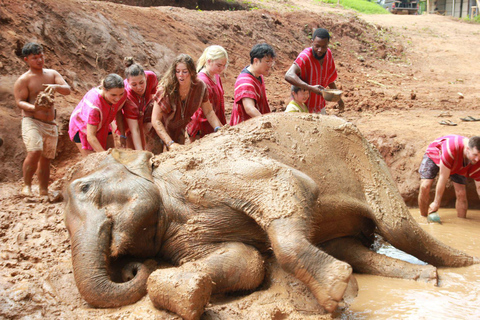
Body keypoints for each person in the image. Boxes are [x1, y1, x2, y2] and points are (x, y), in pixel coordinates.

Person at [13, 42, 71, 196]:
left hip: (50, 123)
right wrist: (34, 108)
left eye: (41, 56)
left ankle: (44, 190)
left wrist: (55, 87)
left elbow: (67, 90)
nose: (39, 60)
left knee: (46, 159)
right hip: (31, 120)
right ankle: (26, 186)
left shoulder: (52, 74)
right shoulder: (24, 80)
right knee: (35, 150)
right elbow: (19, 102)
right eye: (34, 58)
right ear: (26, 60)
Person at [151, 54, 223, 151]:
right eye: (178, 71)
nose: (181, 75)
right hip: (157, 131)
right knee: (156, 160)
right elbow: (156, 120)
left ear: (192, 72)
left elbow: (209, 111)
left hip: (178, 128)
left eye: (185, 72)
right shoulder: (166, 90)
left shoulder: (199, 87)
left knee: (177, 157)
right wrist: (170, 143)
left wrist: (218, 129)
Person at [285, 28, 344, 114]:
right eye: (317, 46)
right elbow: (288, 75)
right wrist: (310, 88)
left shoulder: (328, 55)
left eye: (323, 47)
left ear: (328, 44)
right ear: (312, 42)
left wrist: (339, 99)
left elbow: (330, 79)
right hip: (303, 107)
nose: (320, 50)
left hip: (319, 106)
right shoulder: (305, 57)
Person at [418, 135, 480, 219]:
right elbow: (443, 178)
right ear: (467, 149)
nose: (477, 159)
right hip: (436, 153)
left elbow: (479, 187)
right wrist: (436, 203)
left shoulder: (476, 160)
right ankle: (423, 217)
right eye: (475, 155)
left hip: (459, 161)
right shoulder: (451, 149)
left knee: (461, 193)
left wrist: (474, 157)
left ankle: (461, 223)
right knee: (425, 186)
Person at [68, 74, 127, 156]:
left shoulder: (122, 93)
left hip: (103, 123)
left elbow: (118, 111)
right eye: (113, 95)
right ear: (104, 89)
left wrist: (122, 135)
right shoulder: (94, 106)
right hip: (83, 128)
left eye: (120, 94)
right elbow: (90, 137)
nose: (117, 98)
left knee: (112, 154)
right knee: (94, 163)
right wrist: (104, 157)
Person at [187, 45, 228, 141]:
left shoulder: (216, 76)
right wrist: (221, 128)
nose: (221, 68)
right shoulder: (202, 81)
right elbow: (207, 111)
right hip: (201, 126)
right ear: (209, 61)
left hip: (214, 122)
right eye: (219, 65)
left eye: (224, 65)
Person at [229, 43, 276, 126]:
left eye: (271, 62)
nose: (270, 66)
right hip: (246, 128)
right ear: (256, 61)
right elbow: (249, 108)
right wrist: (267, 124)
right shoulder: (245, 81)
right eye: (267, 62)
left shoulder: (258, 75)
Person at [122, 57, 158, 150]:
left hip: (143, 107)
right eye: (134, 85)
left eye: (141, 82)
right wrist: (140, 152)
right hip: (127, 115)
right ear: (128, 83)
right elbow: (134, 130)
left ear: (145, 77)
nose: (139, 87)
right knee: (132, 141)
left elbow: (154, 98)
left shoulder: (151, 77)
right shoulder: (127, 96)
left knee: (149, 129)